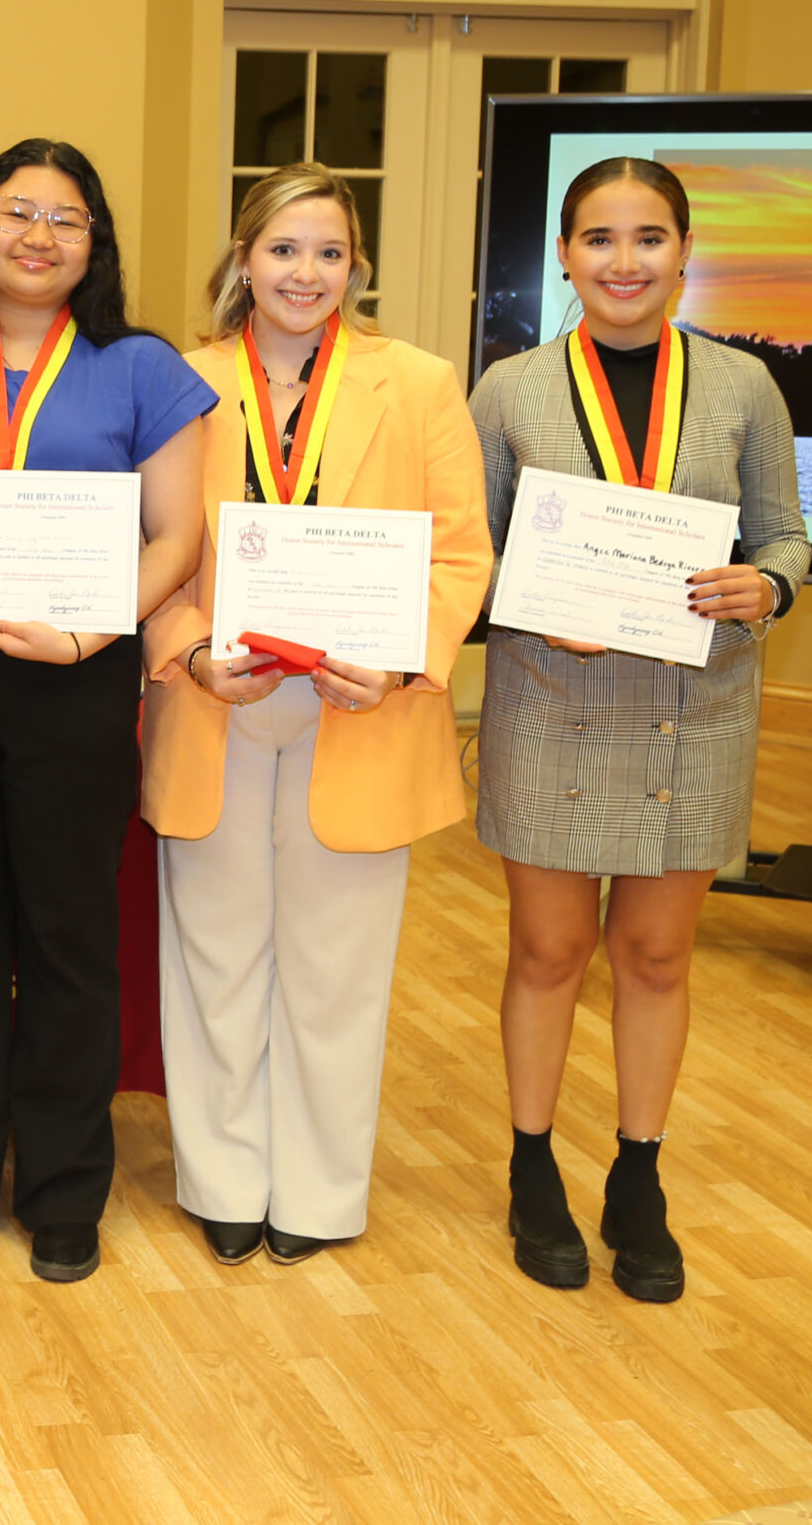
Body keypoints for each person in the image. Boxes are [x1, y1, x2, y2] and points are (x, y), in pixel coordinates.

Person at [0, 138, 214, 1286]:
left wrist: (94, 628)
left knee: (69, 939)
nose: (38, 235)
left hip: (78, 674)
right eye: (17, 212)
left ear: (93, 244)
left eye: (65, 219)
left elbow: (178, 533)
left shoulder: (141, 367)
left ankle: (66, 1190)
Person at [141, 163, 492, 1266]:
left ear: (358, 266)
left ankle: (321, 1191)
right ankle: (225, 1176)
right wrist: (185, 651)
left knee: (337, 968)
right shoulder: (182, 381)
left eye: (329, 252)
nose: (305, 272)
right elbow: (149, 550)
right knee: (217, 957)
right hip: (218, 705)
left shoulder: (421, 382)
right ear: (243, 258)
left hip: (362, 709)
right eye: (284, 249)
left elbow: (458, 550)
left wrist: (396, 662)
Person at [472, 156, 806, 1305]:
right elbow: (471, 557)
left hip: (694, 709)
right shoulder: (508, 389)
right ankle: (529, 1164)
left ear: (682, 251)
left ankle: (637, 1173)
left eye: (648, 237)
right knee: (548, 953)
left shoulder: (742, 387)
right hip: (549, 703)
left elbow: (785, 537)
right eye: (600, 238)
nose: (624, 261)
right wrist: (524, 604)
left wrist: (766, 589)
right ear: (563, 255)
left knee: (656, 956)